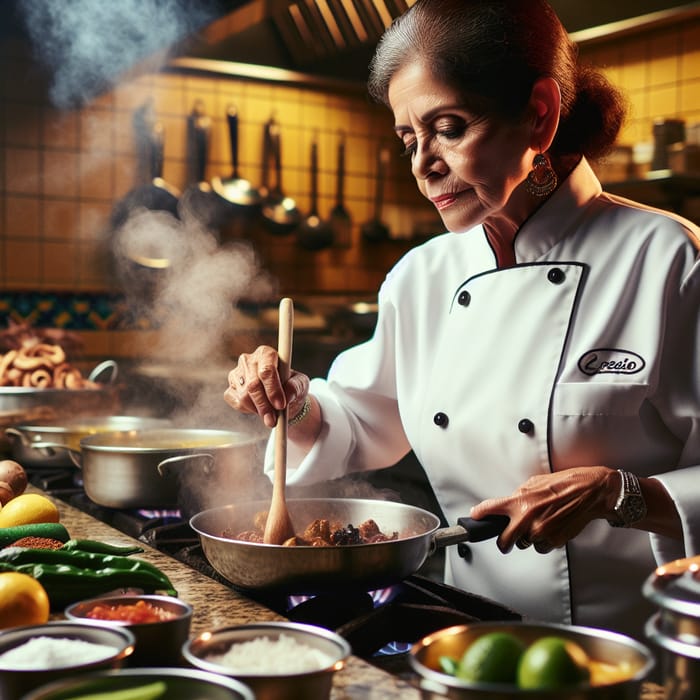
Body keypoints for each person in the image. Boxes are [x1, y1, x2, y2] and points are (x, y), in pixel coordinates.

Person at [225, 0, 699, 642]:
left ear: (539, 113)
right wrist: (294, 401)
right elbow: (365, 419)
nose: (422, 164)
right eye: (408, 139)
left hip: (638, 644)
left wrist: (621, 493)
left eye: (448, 127)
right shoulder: (422, 276)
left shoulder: (670, 260)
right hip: (469, 632)